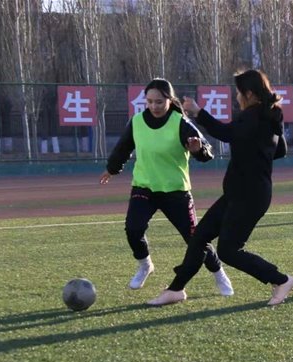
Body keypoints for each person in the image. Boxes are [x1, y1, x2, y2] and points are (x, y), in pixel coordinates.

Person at [147, 69, 293, 306]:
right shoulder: (269, 114)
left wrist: (198, 112)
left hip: (249, 195)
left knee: (229, 251)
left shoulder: (253, 115)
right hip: (240, 192)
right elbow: (281, 150)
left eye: (238, 92)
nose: (237, 97)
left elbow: (226, 133)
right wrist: (257, 154)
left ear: (249, 94)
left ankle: (281, 280)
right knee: (200, 237)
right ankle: (176, 289)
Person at [99, 78, 233, 296]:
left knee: (195, 239)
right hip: (144, 187)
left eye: (159, 102)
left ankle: (218, 273)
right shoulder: (137, 122)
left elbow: (207, 152)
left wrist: (198, 150)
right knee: (133, 229)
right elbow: (123, 148)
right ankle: (145, 265)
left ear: (170, 100)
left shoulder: (180, 123)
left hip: (175, 191)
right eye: (150, 101)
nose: (154, 106)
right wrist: (112, 169)